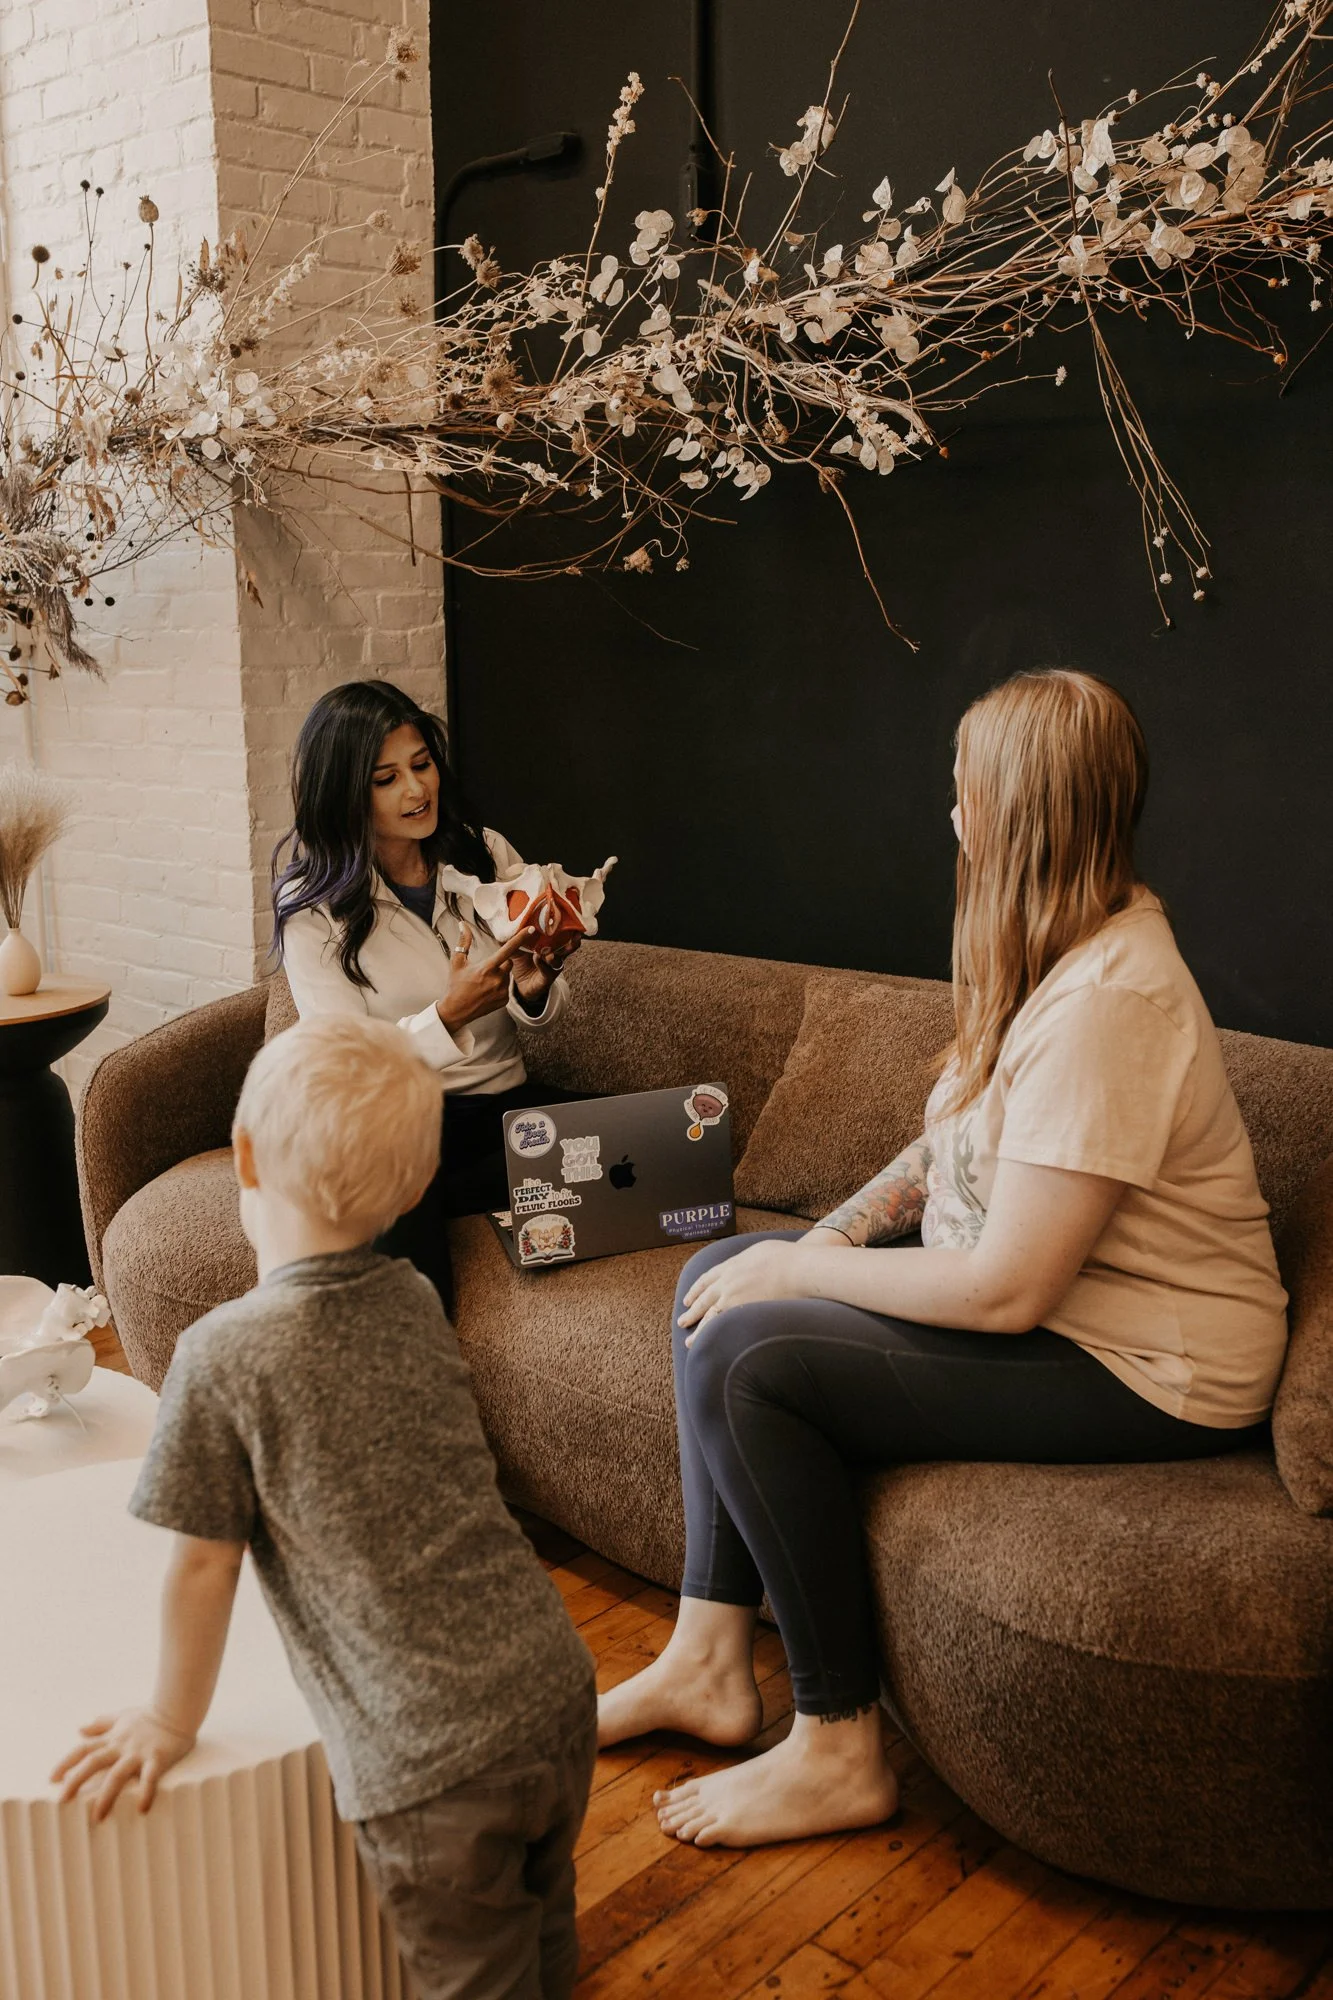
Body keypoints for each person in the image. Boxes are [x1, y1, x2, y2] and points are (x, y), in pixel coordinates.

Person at [598, 668, 1288, 1851]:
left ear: (1017, 815)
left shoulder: (1112, 1000)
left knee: (758, 1352)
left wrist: (796, 1277)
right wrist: (807, 1243)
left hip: (1152, 1361)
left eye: (965, 795)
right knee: (711, 1283)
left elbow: (1006, 1288)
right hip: (1074, 1318)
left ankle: (835, 1744)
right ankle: (709, 1658)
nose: (951, 817)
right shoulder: (1052, 957)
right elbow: (941, 1152)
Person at [51, 1015, 597, 2000]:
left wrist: (170, 1720)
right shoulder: (412, 1300)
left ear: (245, 1155)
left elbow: (204, 1563)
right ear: (417, 1185)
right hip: (553, 1688)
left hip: (433, 1762)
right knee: (541, 1926)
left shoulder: (223, 1354)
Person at [272, 678, 583, 1308]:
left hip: (503, 1113)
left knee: (649, 1140)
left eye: (422, 765)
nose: (417, 790)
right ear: (345, 793)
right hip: (398, 1124)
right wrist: (448, 1015)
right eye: (386, 779)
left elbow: (538, 1013)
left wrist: (536, 984)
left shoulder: (485, 853)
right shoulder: (312, 906)